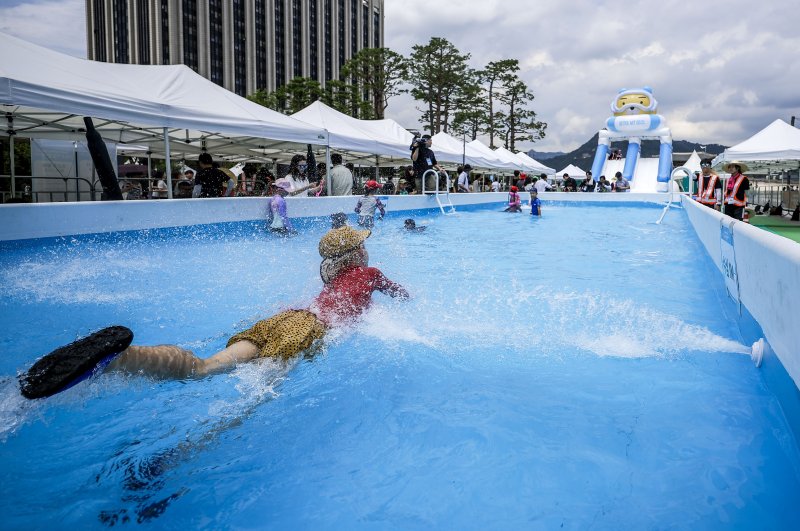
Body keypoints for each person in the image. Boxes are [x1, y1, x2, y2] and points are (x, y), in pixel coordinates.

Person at [19, 227, 409, 399]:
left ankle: (123, 358)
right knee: (255, 400)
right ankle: (184, 453)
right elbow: (396, 292)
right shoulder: (369, 273)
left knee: (205, 366)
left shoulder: (327, 285)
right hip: (307, 330)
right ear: (357, 254)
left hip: (286, 318)